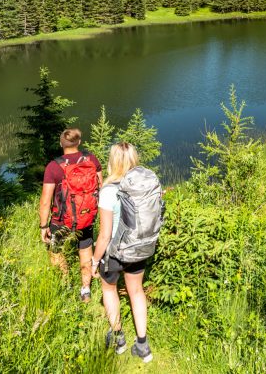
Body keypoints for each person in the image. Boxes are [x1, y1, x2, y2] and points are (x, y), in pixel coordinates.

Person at [92, 141, 162, 363]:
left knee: (109, 290)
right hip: (140, 248)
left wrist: (94, 261)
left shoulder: (108, 191)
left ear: (113, 161)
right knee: (137, 291)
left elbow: (104, 235)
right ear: (134, 159)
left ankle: (118, 339)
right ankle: (142, 345)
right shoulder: (146, 186)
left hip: (113, 252)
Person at [39, 127, 101, 302]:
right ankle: (85, 290)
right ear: (79, 143)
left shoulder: (54, 167)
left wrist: (44, 226)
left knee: (56, 251)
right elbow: (100, 187)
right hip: (86, 216)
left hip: (61, 220)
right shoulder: (92, 160)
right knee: (85, 250)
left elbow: (45, 201)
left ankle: (65, 286)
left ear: (61, 144)